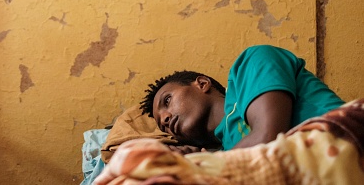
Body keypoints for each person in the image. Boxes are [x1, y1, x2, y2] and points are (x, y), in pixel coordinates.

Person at [139, 44, 345, 152]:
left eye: (167, 101)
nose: (165, 119)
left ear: (202, 84)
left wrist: (202, 167)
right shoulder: (225, 151)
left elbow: (268, 138)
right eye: (162, 125)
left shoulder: (251, 64)